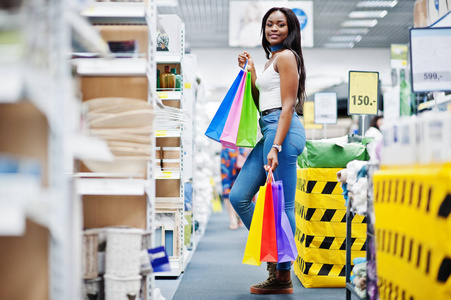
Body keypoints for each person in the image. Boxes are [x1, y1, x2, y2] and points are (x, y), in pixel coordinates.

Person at [230, 7, 306, 295]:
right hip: (270, 129)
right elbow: (259, 100)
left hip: (282, 132)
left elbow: (287, 105)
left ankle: (282, 274)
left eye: (281, 24)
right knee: (239, 197)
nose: (274, 29)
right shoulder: (272, 59)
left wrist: (276, 145)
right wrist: (250, 72)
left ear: (290, 29)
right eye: (269, 24)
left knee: (284, 205)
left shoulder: (287, 57)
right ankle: (275, 258)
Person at [220, 146, 249, 230]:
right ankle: (233, 219)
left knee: (241, 189)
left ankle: (238, 216)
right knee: (227, 189)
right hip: (229, 153)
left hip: (241, 151)